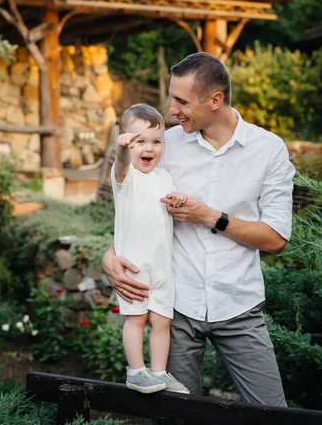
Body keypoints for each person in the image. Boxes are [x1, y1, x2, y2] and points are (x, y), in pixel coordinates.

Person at [102, 52, 295, 405]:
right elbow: (132, 203)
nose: (171, 110)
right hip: (176, 308)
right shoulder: (161, 144)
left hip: (240, 306)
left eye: (181, 101)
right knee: (175, 414)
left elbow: (276, 238)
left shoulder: (268, 150)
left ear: (215, 100)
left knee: (272, 413)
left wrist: (210, 216)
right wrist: (109, 255)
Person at [111, 102, 190, 395]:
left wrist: (178, 198)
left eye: (156, 142)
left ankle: (159, 372)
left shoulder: (164, 176)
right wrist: (121, 147)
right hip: (135, 266)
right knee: (137, 318)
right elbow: (120, 162)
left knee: (162, 320)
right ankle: (135, 371)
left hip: (162, 267)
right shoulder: (125, 176)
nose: (149, 148)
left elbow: (168, 204)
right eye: (139, 141)